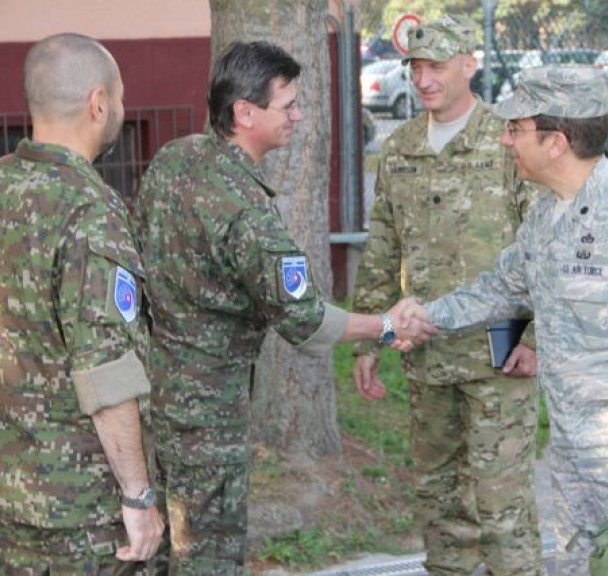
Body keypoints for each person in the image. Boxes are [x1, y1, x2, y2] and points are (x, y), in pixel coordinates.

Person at [402, 66, 608, 575]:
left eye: (515, 128)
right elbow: (499, 287)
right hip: (572, 454)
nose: (505, 140)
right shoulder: (546, 216)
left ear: (556, 142)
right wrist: (422, 316)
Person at [134, 41, 434, 573]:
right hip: (209, 414)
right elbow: (306, 320)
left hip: (154, 394)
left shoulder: (174, 158)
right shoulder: (246, 211)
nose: (298, 116)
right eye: (287, 105)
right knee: (208, 555)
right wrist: (387, 325)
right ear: (244, 113)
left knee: (158, 548)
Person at [0, 33, 165, 573]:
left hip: (8, 486)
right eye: (119, 96)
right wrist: (139, 497)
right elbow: (106, 370)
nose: (120, 107)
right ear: (99, 103)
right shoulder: (90, 210)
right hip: (85, 508)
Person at [352, 15, 543, 576]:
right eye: (415, 68)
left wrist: (537, 339)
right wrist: (369, 341)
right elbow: (382, 248)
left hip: (500, 356)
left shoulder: (507, 141)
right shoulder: (401, 148)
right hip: (429, 355)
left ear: (469, 65)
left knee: (502, 506)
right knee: (439, 500)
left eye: (436, 66)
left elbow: (543, 248)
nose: (423, 80)